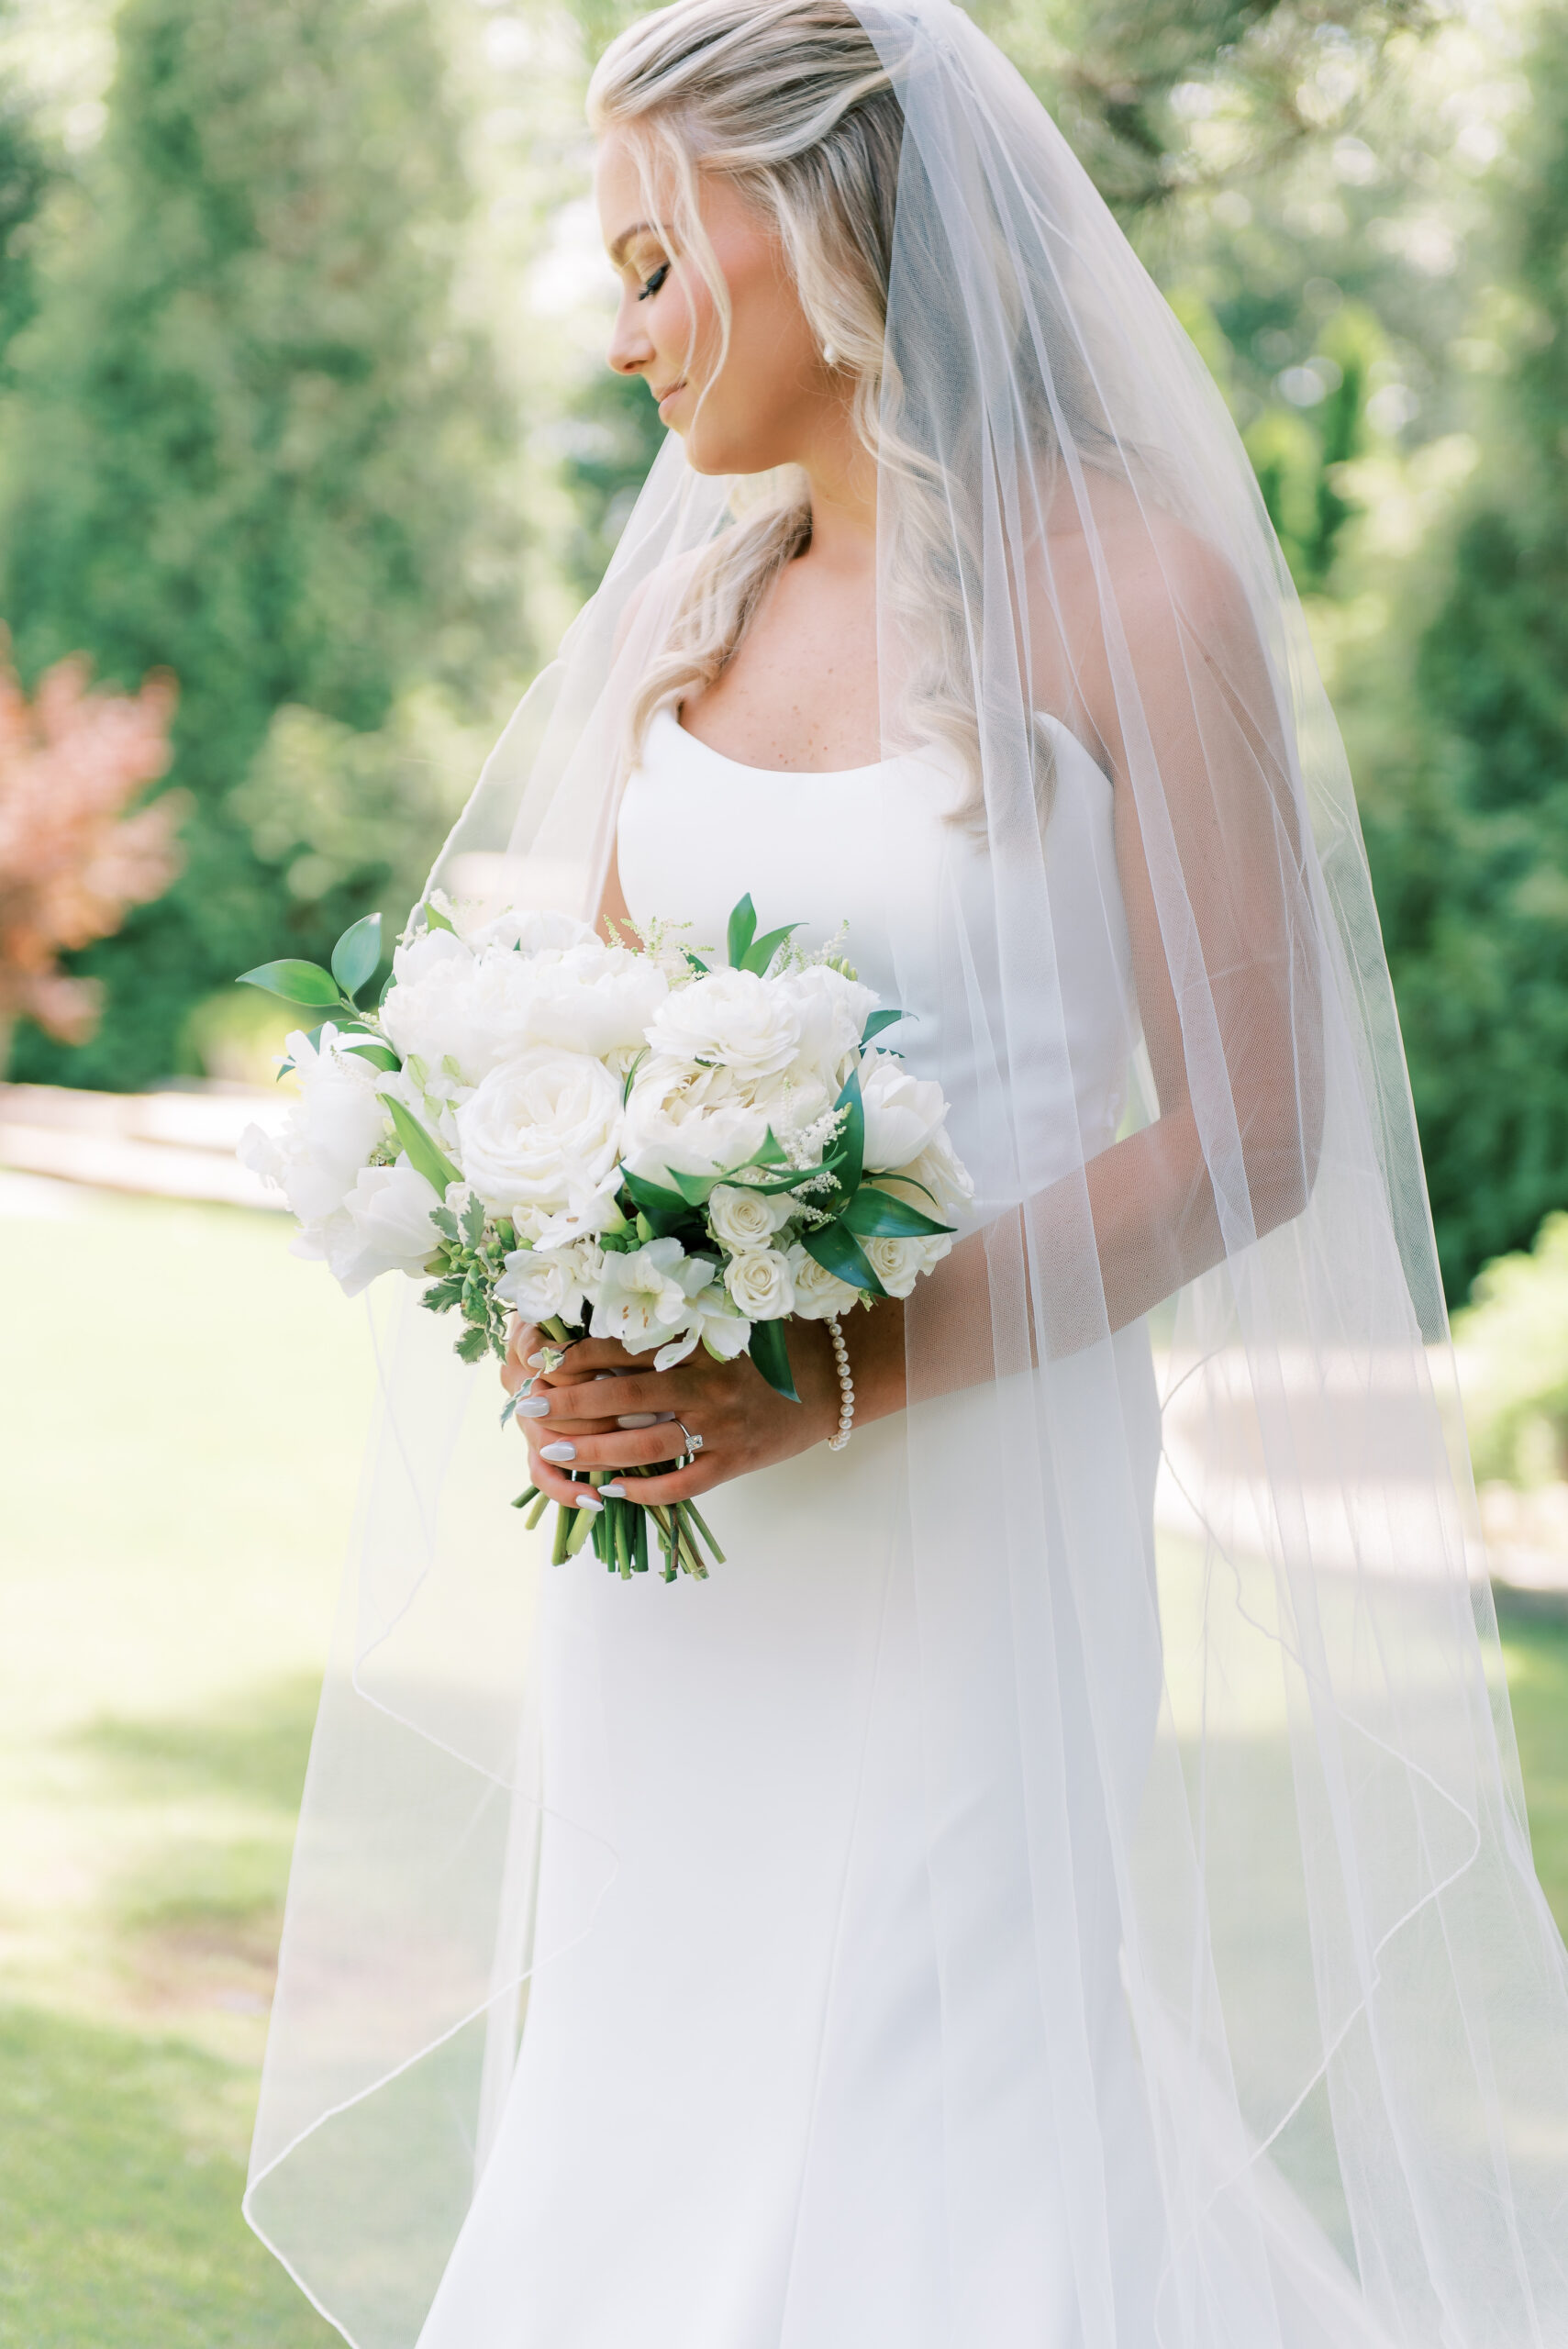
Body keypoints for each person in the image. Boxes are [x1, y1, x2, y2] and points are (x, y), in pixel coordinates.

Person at [245, 6, 1568, 2345]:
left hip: (972, 1509)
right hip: (691, 1545)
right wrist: (583, 1298)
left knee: (939, 2097)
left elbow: (1250, 1129)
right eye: (613, 267)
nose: (626, 326)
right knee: (662, 2075)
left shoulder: (1130, 591)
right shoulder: (692, 608)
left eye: (666, 261)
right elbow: (624, 1061)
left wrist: (836, 1373)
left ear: (828, 225)